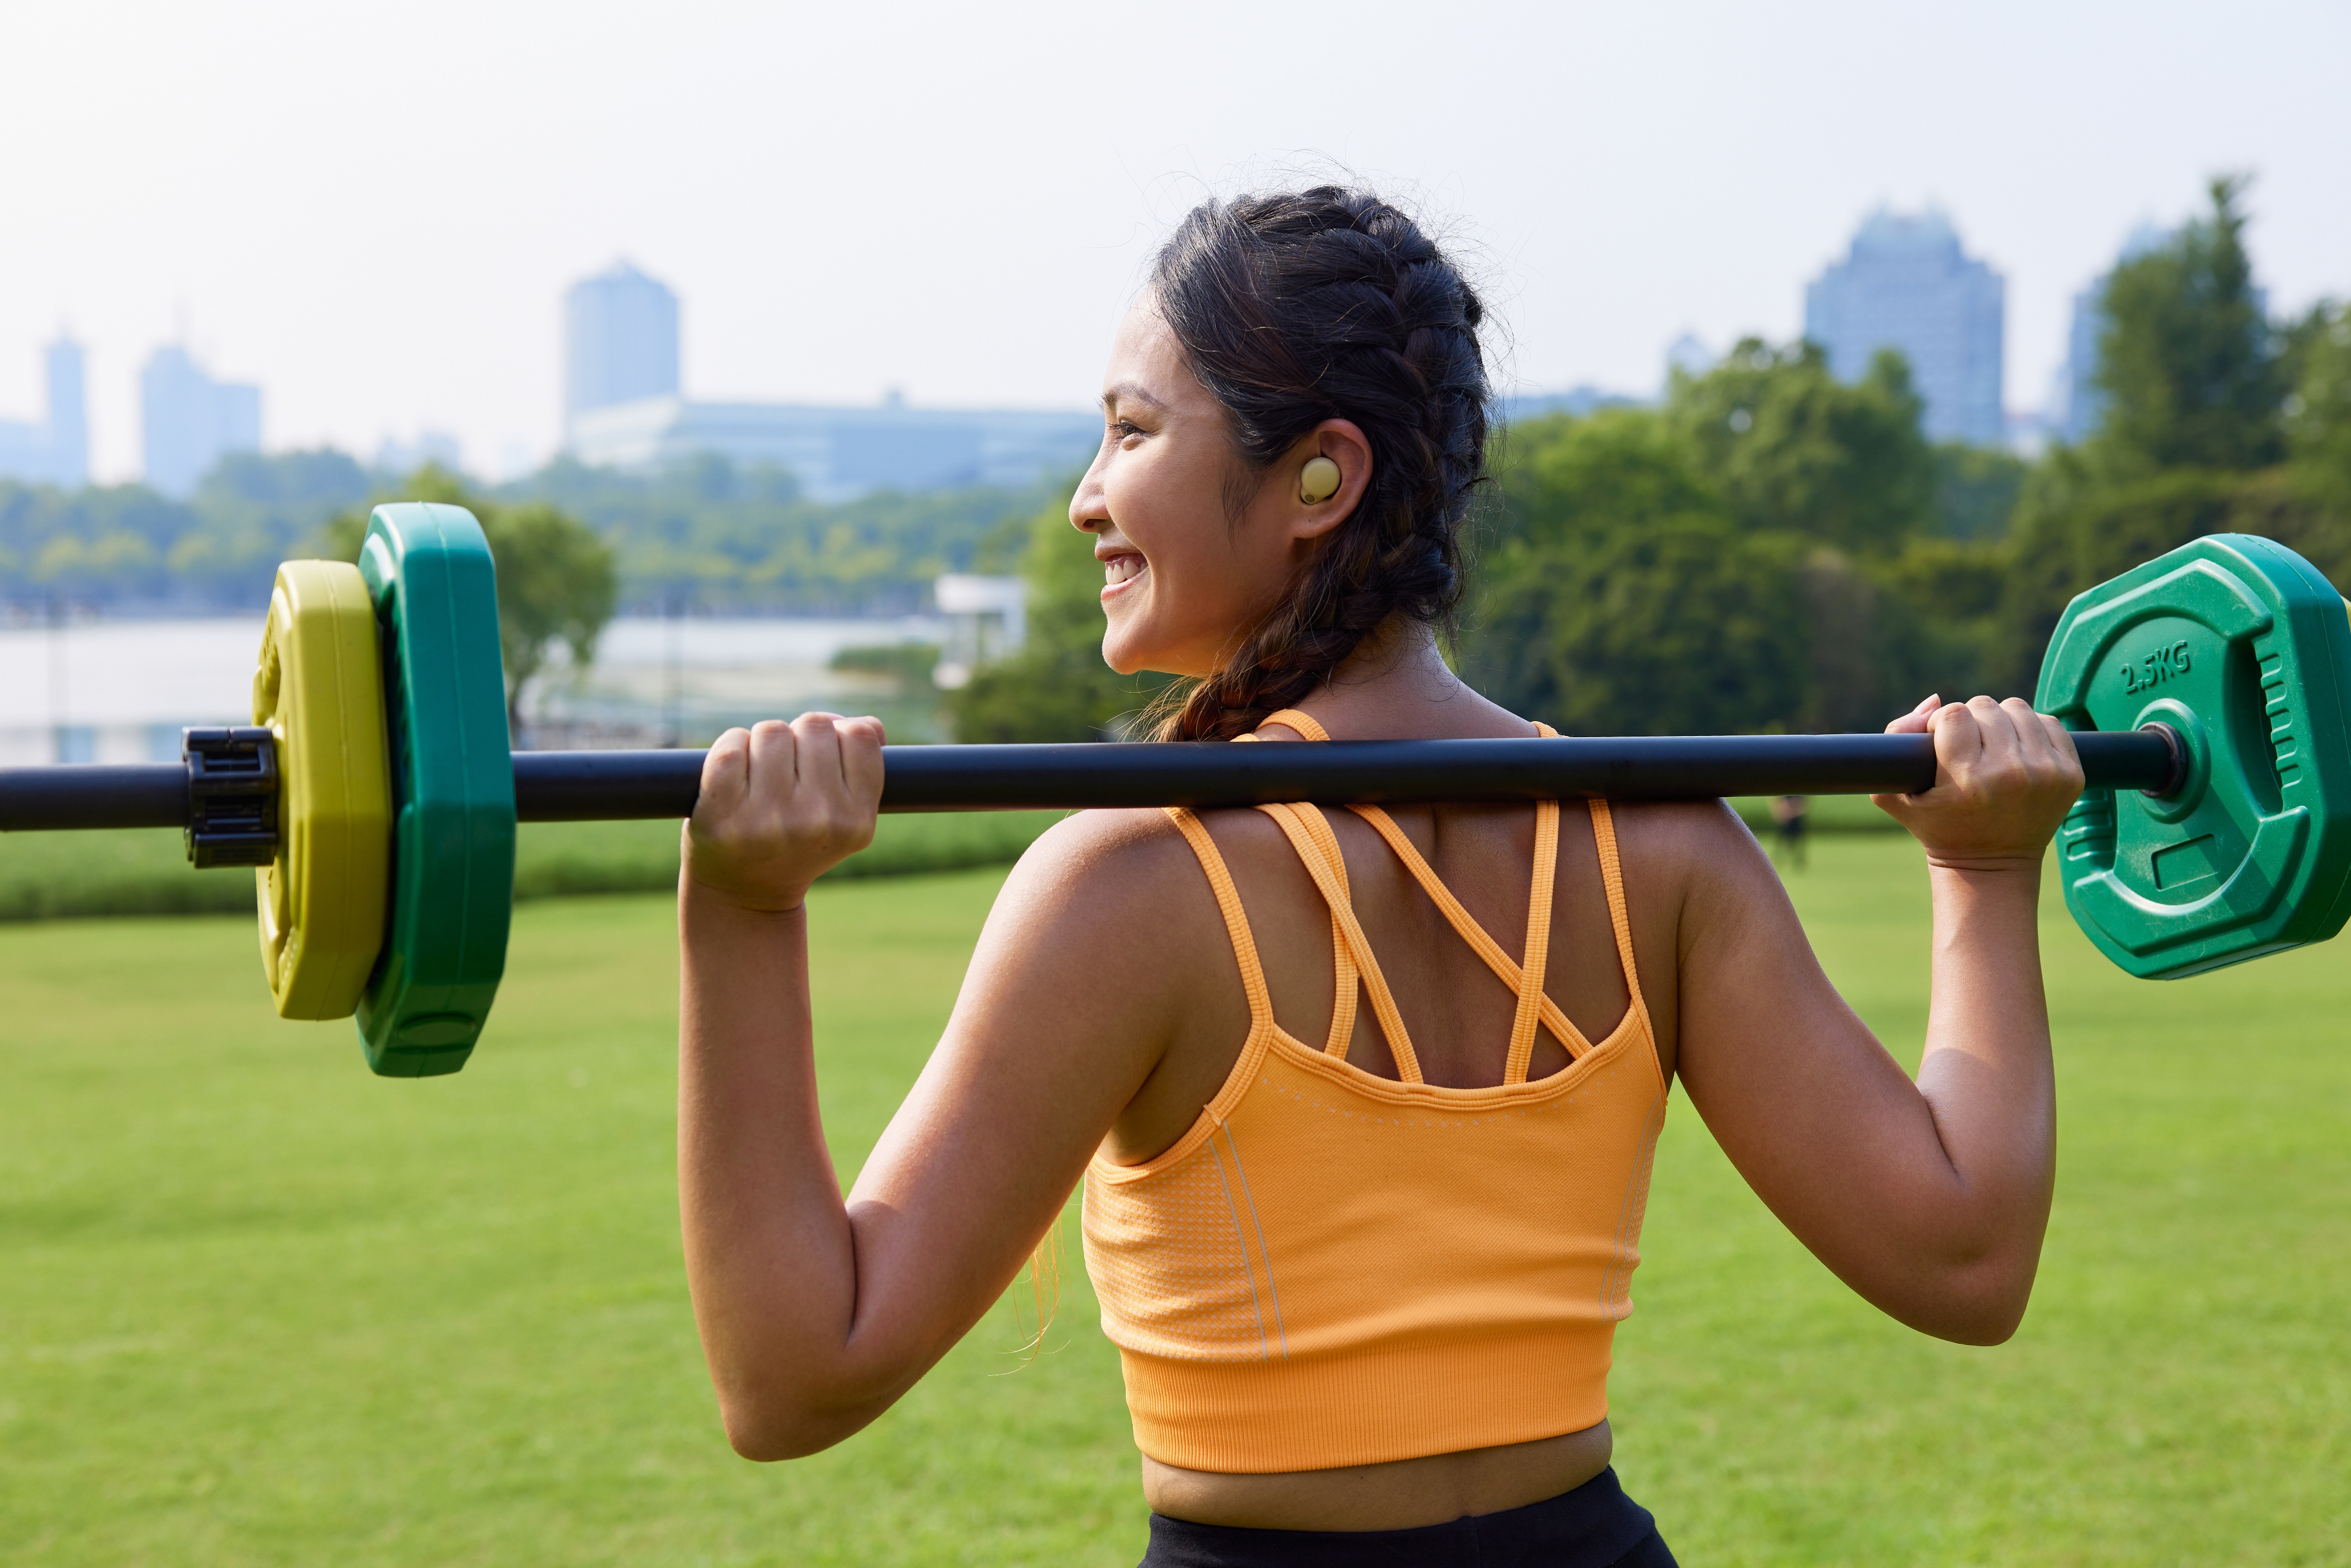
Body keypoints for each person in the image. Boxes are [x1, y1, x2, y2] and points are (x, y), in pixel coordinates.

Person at [674, 188, 2084, 1567]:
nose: (1083, 497)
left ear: (1320, 477)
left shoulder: (1129, 886)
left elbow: (796, 1378)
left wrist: (744, 911)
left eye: (1129, 430)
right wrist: (1980, 873)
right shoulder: (1667, 849)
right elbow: (1963, 1255)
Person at [1767, 793, 1810, 871]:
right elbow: (1779, 802)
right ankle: (1777, 860)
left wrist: (1793, 813)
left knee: (1798, 843)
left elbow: (1803, 804)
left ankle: (1799, 862)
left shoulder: (1799, 792)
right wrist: (1783, 813)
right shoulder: (1785, 792)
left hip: (1796, 820)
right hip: (1786, 820)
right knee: (1781, 843)